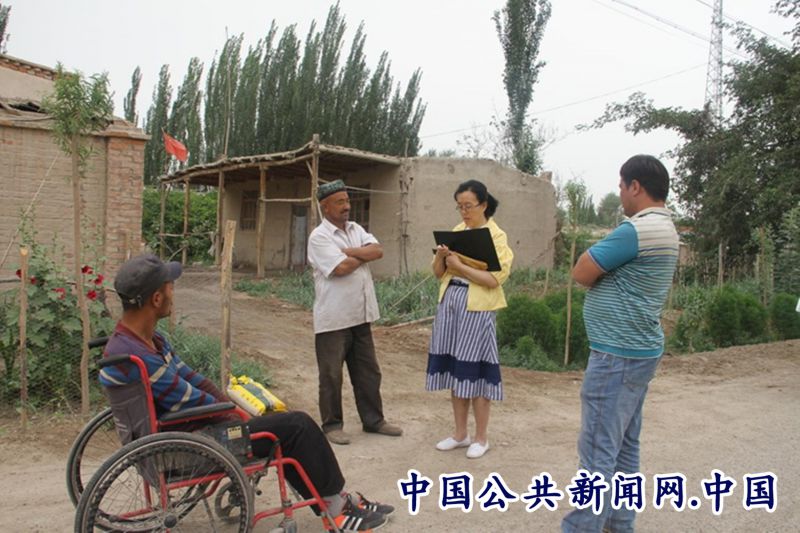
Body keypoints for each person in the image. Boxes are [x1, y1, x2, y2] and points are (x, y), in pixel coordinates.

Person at [99, 253, 393, 532]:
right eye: (170, 287)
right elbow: (190, 398)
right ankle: (338, 509)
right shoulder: (138, 358)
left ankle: (336, 499)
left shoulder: (144, 342)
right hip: (185, 447)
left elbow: (193, 380)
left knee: (282, 428)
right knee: (297, 426)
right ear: (156, 298)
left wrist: (229, 408)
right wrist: (233, 417)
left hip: (178, 435)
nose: (173, 293)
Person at [561, 155, 679, 533]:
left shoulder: (636, 230)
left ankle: (582, 527)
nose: (620, 193)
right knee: (625, 447)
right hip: (639, 351)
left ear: (635, 187)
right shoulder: (667, 227)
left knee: (598, 450)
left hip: (616, 355)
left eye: (621, 186)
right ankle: (619, 523)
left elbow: (582, 271)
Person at [307, 180, 402, 446]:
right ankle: (332, 425)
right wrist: (363, 254)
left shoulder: (356, 229)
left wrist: (349, 252)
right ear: (325, 207)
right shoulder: (319, 237)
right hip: (333, 319)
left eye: (347, 200)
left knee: (368, 372)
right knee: (331, 375)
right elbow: (340, 269)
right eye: (340, 202)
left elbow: (378, 251)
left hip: (361, 315)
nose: (347, 206)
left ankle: (374, 421)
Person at [426, 179, 513, 459]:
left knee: (477, 371)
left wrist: (460, 266)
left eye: (469, 206)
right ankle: (460, 434)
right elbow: (439, 273)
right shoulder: (457, 232)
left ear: (484, 205)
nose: (464, 212)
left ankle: (481, 438)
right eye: (460, 207)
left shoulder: (497, 237)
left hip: (477, 309)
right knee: (456, 368)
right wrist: (442, 257)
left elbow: (493, 279)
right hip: (451, 304)